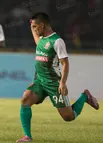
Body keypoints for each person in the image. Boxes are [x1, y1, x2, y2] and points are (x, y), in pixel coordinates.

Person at [16, 12, 99, 142]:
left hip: (54, 83)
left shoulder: (57, 41)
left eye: (35, 27)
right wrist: (31, 26)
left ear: (42, 25)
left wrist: (63, 83)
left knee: (68, 117)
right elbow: (37, 41)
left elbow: (65, 63)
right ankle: (27, 137)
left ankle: (85, 96)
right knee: (25, 99)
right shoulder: (42, 39)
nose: (35, 30)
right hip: (39, 81)